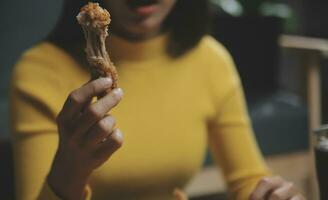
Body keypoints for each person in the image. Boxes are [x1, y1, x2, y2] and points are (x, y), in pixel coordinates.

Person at [10, 0, 305, 200]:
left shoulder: (210, 60)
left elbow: (247, 180)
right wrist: (68, 173)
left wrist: (271, 194)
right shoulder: (39, 71)